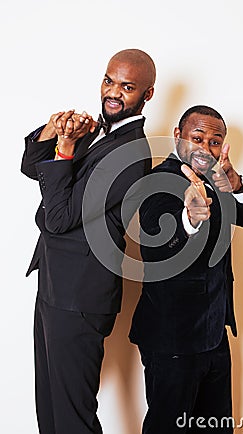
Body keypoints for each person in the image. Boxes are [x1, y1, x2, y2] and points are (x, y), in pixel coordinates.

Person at [21, 48, 156, 434]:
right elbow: (32, 168)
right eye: (109, 81)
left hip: (79, 298)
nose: (113, 92)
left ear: (147, 95)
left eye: (127, 87)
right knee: (49, 406)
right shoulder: (96, 132)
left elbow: (59, 217)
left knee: (72, 417)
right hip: (53, 282)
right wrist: (53, 132)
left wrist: (65, 149)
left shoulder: (130, 154)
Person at [129, 105, 243, 433]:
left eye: (214, 141)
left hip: (214, 334)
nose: (206, 149)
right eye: (197, 138)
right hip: (172, 338)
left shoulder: (220, 182)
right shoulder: (157, 180)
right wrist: (189, 217)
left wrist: (236, 183)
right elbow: (156, 241)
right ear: (178, 136)